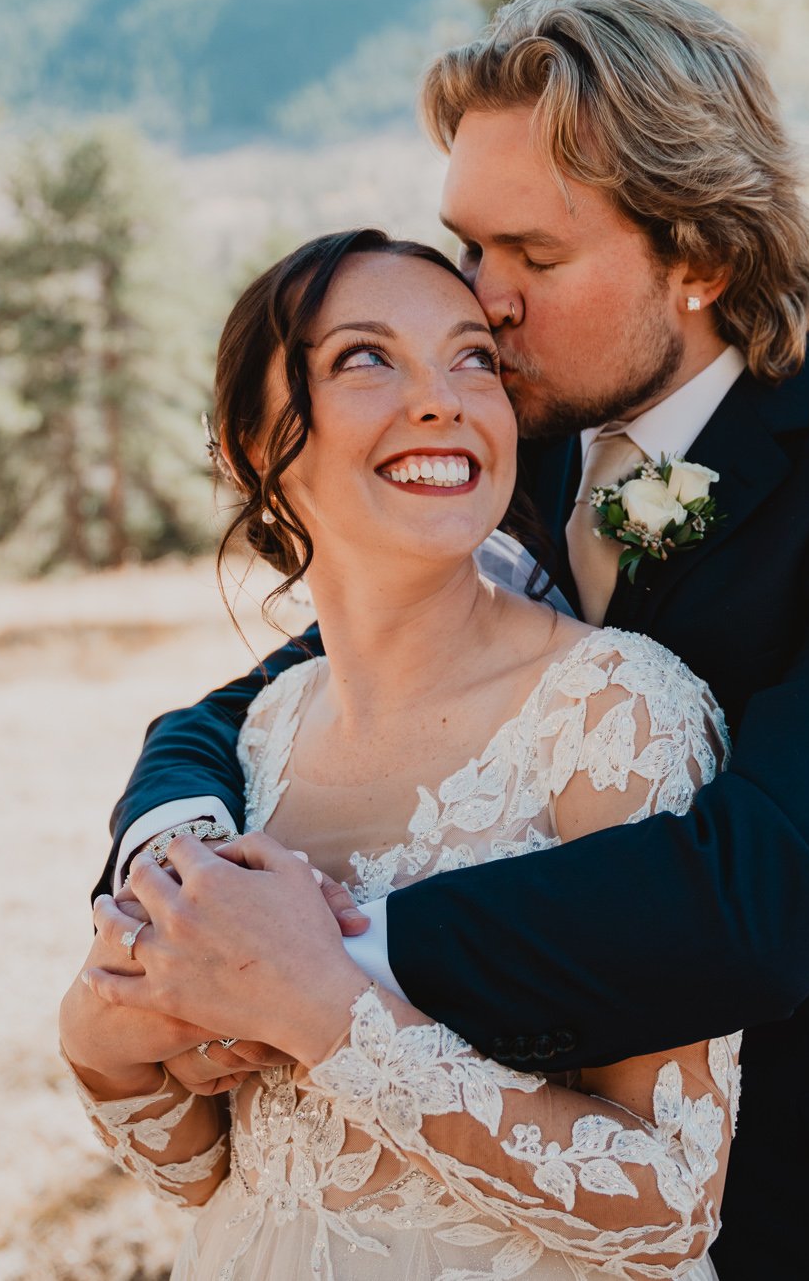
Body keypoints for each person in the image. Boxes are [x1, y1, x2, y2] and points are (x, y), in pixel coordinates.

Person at [89, 0, 809, 1278]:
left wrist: (325, 954)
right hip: (530, 1201)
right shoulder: (515, 452)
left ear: (700, 257)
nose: (481, 306)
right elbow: (277, 693)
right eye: (470, 247)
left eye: (534, 258)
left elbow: (766, 894)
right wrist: (180, 858)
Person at [59, 229, 738, 1279]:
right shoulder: (258, 737)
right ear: (250, 443)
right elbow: (220, 1171)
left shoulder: (614, 715)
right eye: (364, 357)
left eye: (474, 357)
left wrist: (324, 1011)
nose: (442, 398)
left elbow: (669, 1201)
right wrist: (96, 1030)